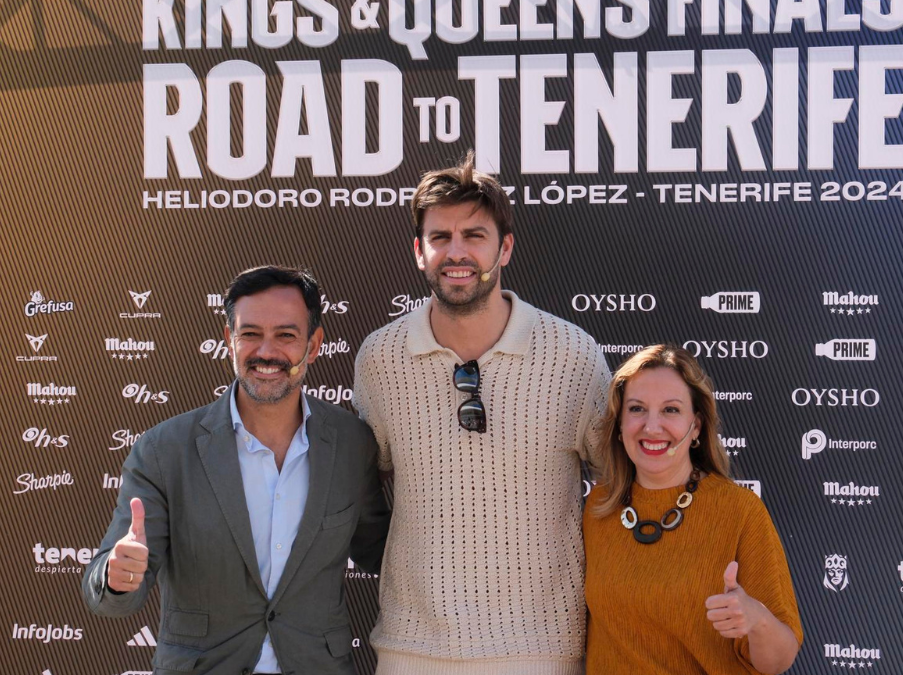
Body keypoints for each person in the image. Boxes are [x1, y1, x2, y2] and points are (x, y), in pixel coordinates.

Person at [353, 152, 613, 675]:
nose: (457, 252)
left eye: (474, 235)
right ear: (419, 252)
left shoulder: (573, 353)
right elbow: (363, 491)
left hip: (540, 651)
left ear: (506, 247)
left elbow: (620, 483)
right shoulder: (380, 358)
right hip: (411, 651)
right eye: (440, 237)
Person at [83, 266, 391, 675]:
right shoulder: (164, 451)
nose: (267, 352)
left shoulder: (352, 444)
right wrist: (117, 574)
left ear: (313, 345)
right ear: (228, 340)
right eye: (250, 334)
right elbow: (109, 591)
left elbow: (382, 553)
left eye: (285, 335)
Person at [583, 344, 802, 675]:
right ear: (619, 423)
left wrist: (755, 619)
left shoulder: (739, 511)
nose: (652, 427)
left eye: (671, 410)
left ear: (696, 426)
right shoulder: (599, 506)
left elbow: (778, 660)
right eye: (637, 409)